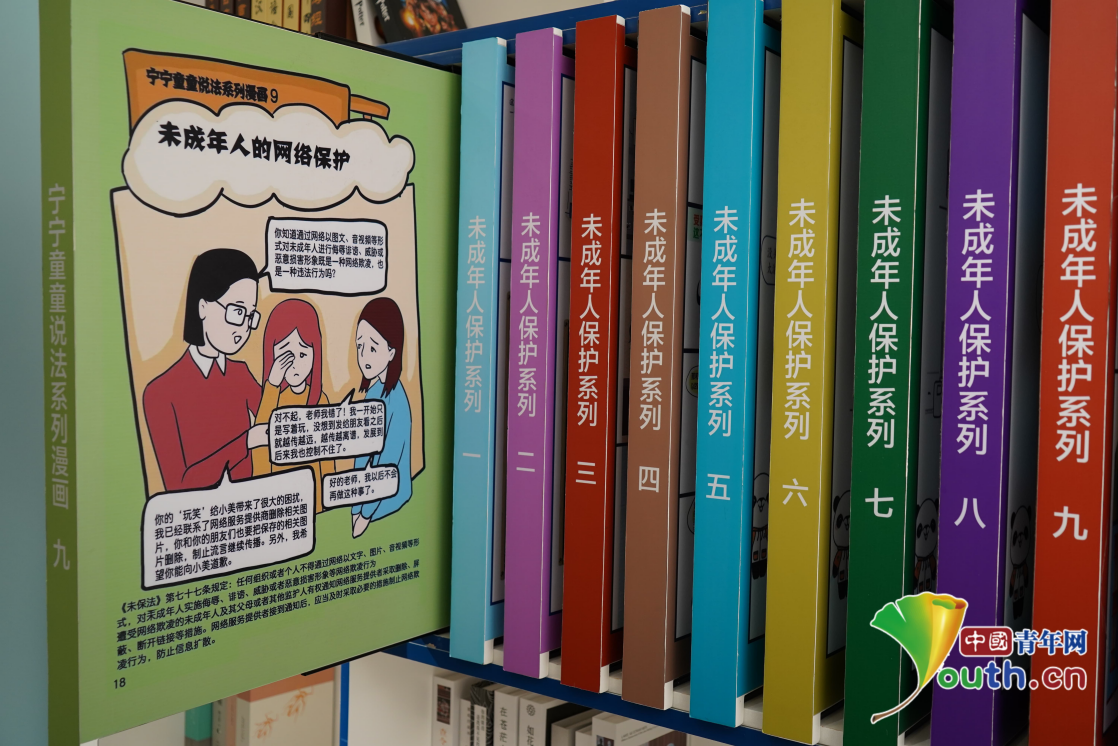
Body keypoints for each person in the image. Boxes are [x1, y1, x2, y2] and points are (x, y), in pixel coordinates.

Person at [143, 249, 268, 492]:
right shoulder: (160, 393)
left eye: (250, 315)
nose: (244, 328)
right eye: (237, 311)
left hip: (249, 508)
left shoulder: (241, 375)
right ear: (203, 307)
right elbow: (179, 485)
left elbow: (274, 420)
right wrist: (246, 442)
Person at [251, 299, 336, 512]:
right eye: (286, 355)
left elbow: (327, 460)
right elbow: (260, 450)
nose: (295, 364)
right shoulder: (272, 400)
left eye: (303, 354)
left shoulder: (320, 401)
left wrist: (328, 504)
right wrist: (272, 384)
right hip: (280, 504)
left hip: (316, 504)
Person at [351, 297, 413, 538]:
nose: (364, 355)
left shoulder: (398, 402)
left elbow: (388, 465)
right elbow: (361, 452)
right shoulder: (373, 392)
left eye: (373, 348)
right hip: (369, 489)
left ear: (391, 352)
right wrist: (355, 505)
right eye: (360, 346)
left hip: (392, 493)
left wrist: (365, 515)